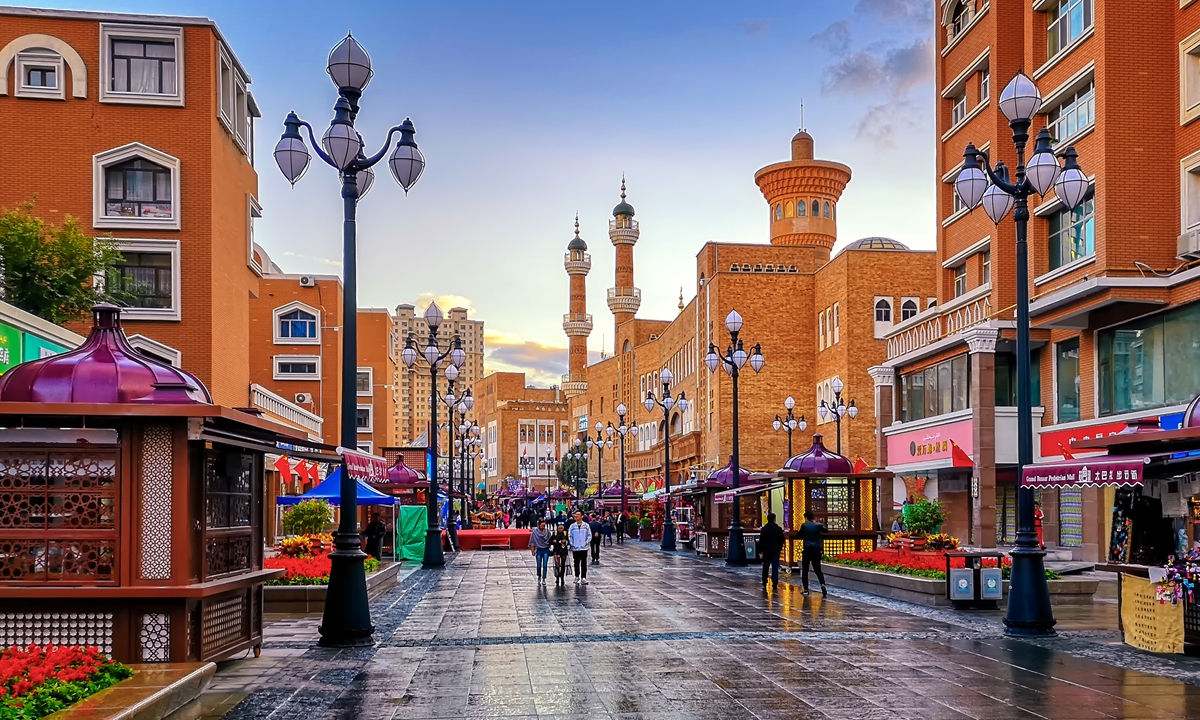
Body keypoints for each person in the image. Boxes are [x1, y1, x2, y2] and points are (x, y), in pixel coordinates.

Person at [798, 510, 828, 597]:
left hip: (807, 550)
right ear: (813, 518)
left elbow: (799, 534)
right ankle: (822, 584)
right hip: (816, 550)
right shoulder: (817, 525)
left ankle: (806, 589)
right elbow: (825, 530)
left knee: (805, 570)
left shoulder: (804, 525)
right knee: (818, 570)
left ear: (806, 518)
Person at [759, 512, 784, 589]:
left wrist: (760, 551)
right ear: (774, 519)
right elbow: (782, 540)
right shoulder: (778, 529)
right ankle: (775, 582)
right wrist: (779, 548)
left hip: (766, 550)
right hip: (775, 550)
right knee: (775, 566)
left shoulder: (764, 529)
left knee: (765, 566)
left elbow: (761, 541)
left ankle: (764, 581)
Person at [568, 511, 592, 584]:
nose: (576, 516)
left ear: (582, 516)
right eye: (576, 515)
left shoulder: (586, 525)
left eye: (578, 515)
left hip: (583, 547)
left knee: (584, 563)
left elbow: (589, 535)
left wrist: (586, 543)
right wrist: (572, 543)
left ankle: (583, 577)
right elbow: (570, 535)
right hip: (575, 547)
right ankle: (576, 576)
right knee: (576, 562)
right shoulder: (572, 526)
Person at [530, 520, 553, 585]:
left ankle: (544, 578)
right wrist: (533, 550)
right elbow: (532, 542)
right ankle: (539, 576)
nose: (543, 527)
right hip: (539, 550)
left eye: (544, 526)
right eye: (542, 526)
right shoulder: (535, 533)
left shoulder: (547, 532)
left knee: (545, 565)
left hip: (546, 550)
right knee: (539, 565)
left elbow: (550, 540)